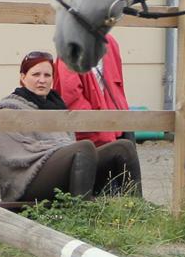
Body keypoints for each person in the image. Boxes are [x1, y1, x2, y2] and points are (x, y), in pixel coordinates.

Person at [0, 51, 141, 202]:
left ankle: (136, 208)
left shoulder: (58, 107)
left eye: (47, 75)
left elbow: (66, 146)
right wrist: (56, 150)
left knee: (123, 147)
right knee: (84, 148)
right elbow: (7, 155)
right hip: (27, 179)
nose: (42, 80)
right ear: (23, 77)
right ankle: (82, 210)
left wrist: (61, 151)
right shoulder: (10, 109)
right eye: (36, 74)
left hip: (59, 171)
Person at [53, 33, 142, 194]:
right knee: (103, 188)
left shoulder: (110, 43)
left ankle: (134, 206)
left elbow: (117, 86)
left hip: (117, 124)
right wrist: (101, 127)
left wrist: (121, 117)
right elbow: (71, 96)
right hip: (90, 131)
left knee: (126, 178)